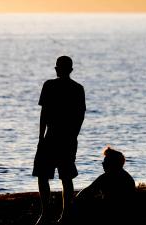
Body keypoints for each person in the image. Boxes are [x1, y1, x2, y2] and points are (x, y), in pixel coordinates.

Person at [32, 56, 86, 225]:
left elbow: (44, 114)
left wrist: (41, 137)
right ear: (71, 70)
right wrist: (73, 135)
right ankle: (64, 214)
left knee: (45, 176)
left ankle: (47, 214)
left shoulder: (50, 85)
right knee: (66, 177)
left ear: (57, 69)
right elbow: (80, 117)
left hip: (53, 137)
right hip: (66, 138)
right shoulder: (77, 88)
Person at [74, 146, 136, 225]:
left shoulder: (108, 176)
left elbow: (86, 192)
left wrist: (75, 201)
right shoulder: (126, 176)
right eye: (103, 163)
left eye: (105, 163)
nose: (103, 165)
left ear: (113, 163)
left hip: (114, 213)